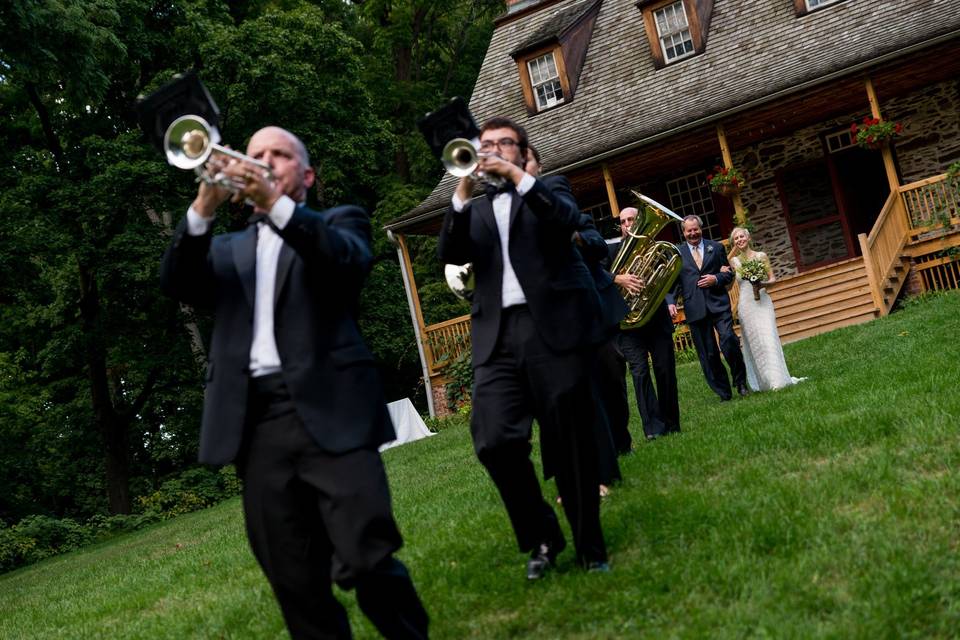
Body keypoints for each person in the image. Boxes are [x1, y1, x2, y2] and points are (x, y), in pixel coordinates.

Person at [160, 126, 429, 639]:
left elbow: (347, 262)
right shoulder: (225, 250)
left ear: (304, 175)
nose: (262, 162)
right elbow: (175, 281)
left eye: (278, 155)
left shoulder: (339, 221)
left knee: (367, 556)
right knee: (294, 578)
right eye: (254, 154)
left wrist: (273, 203)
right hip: (256, 425)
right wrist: (205, 202)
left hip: (334, 411)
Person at [437, 118, 608, 580]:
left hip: (550, 332)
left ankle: (591, 547)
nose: (491, 150)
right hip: (495, 337)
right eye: (484, 144)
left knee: (571, 442)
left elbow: (567, 221)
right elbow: (448, 253)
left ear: (522, 150)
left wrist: (519, 177)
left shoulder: (548, 188)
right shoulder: (472, 209)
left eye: (502, 144)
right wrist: (463, 185)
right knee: (493, 440)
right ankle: (544, 536)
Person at [527, 145, 624, 490]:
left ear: (538, 164)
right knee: (565, 395)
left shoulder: (555, 189)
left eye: (526, 157)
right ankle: (584, 472)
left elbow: (598, 245)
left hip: (585, 306)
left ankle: (617, 444)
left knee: (609, 374)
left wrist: (575, 235)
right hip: (544, 316)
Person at [612, 207, 681, 439]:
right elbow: (597, 277)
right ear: (620, 226)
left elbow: (669, 278)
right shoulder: (611, 251)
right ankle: (653, 428)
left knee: (665, 370)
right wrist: (619, 279)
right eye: (624, 221)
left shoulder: (654, 248)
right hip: (628, 325)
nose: (628, 224)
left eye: (632, 219)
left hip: (656, 319)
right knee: (640, 373)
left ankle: (672, 423)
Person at [666, 215, 748, 401]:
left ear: (701, 229)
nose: (693, 233)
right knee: (708, 354)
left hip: (718, 304)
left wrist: (716, 279)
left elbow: (728, 275)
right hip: (695, 309)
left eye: (696, 229)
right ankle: (723, 392)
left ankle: (740, 382)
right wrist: (670, 302)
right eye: (689, 230)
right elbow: (673, 284)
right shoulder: (677, 254)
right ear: (683, 232)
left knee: (728, 340)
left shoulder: (716, 247)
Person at [727, 227, 806, 391]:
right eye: (736, 238)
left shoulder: (761, 256)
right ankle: (765, 381)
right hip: (746, 305)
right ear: (733, 243)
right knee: (756, 342)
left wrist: (761, 284)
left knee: (769, 336)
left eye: (742, 236)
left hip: (763, 302)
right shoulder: (734, 262)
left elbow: (773, 279)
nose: (740, 240)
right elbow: (728, 287)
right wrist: (724, 273)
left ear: (748, 238)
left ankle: (777, 379)